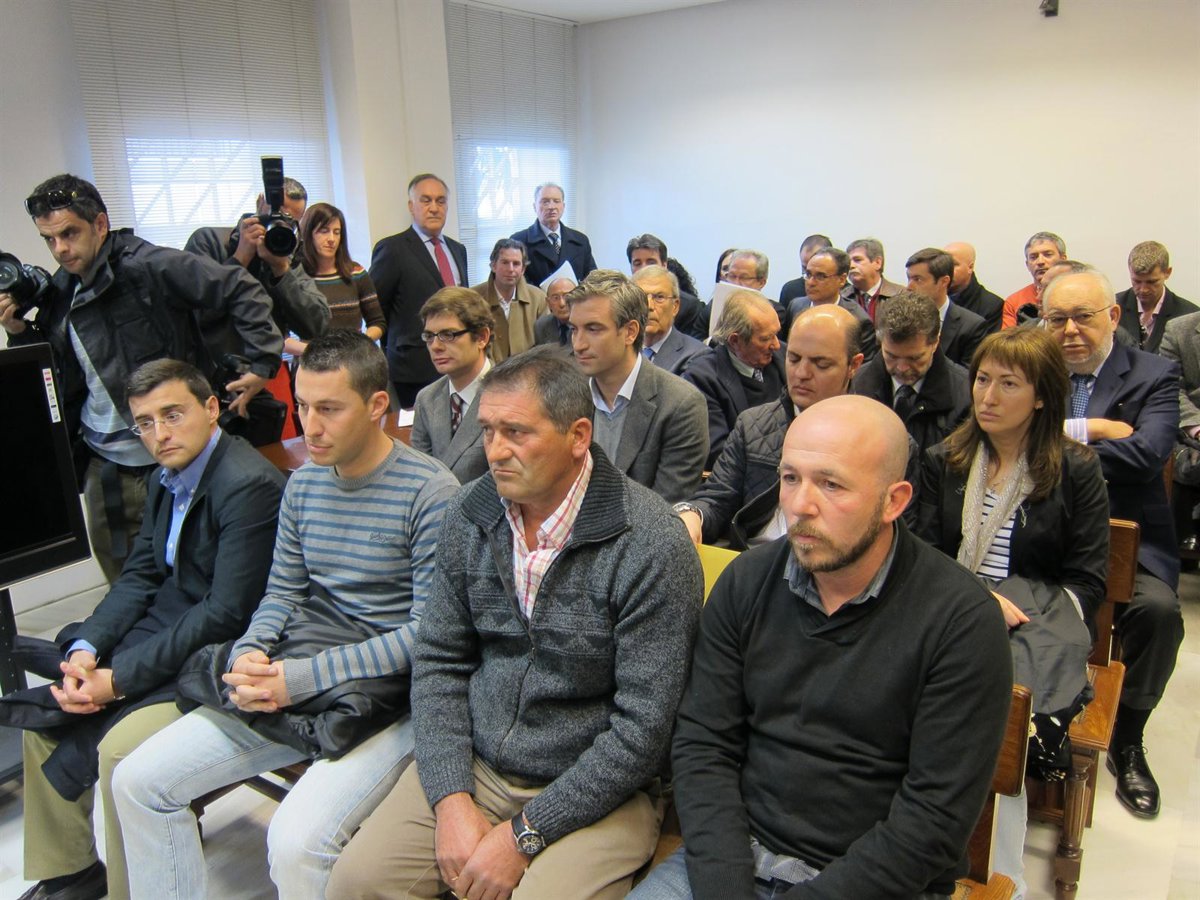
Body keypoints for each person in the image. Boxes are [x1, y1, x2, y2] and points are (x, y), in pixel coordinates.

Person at [326, 346, 703, 900]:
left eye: (517, 433)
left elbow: (643, 729)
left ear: (578, 436)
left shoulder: (650, 542)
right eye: (487, 431)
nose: (495, 451)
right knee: (356, 884)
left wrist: (523, 835)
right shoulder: (471, 512)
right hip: (478, 764)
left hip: (599, 788)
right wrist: (451, 798)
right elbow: (439, 661)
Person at [112, 331, 459, 899]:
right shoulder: (304, 485)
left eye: (329, 409)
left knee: (297, 843)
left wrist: (298, 678)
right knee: (138, 781)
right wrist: (253, 650)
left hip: (392, 695)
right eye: (302, 406)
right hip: (307, 665)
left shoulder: (431, 493)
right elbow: (281, 593)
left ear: (377, 406)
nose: (309, 426)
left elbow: (427, 635)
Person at [630, 395, 1012, 900]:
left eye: (831, 484)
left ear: (894, 501)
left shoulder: (961, 622)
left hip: (876, 884)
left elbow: (933, 820)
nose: (799, 506)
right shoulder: (746, 582)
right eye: (790, 478)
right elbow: (704, 744)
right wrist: (726, 886)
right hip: (735, 859)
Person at [5, 360, 284, 900]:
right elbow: (140, 575)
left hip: (218, 655)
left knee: (119, 751)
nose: (159, 434)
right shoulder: (166, 477)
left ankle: (128, 890)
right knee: (47, 715)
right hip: (165, 634)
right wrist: (88, 649)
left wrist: (117, 679)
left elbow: (225, 614)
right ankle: (71, 876)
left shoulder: (248, 486)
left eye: (172, 415)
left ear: (211, 408)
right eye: (145, 423)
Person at [1, 174, 281, 582]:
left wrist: (262, 362)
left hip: (177, 454)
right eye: (49, 239)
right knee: (126, 582)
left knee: (197, 577)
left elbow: (239, 287)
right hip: (107, 465)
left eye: (69, 233)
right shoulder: (61, 293)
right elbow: (56, 374)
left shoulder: (151, 265)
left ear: (100, 224)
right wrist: (19, 333)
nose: (60, 249)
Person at [916, 327, 1109, 895]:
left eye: (1008, 384)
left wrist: (1016, 608)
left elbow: (1086, 582)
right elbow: (921, 556)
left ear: (1042, 397)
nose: (987, 396)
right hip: (951, 610)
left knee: (1002, 709)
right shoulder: (945, 460)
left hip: (1033, 626)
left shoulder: (1075, 469)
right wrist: (977, 601)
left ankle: (1001, 875)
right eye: (981, 379)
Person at [1041, 266, 1184, 819]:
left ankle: (1128, 737)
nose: (1070, 331)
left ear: (1113, 316)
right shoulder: (1034, 365)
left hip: (1125, 536)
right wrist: (1094, 430)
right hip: (1045, 533)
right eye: (1057, 319)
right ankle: (1035, 724)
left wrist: (1046, 445)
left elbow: (1146, 454)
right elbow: (1002, 431)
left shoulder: (1153, 373)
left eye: (1083, 317)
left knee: (1158, 613)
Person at [675, 305, 864, 549]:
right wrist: (692, 514)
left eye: (821, 364)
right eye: (793, 358)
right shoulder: (753, 425)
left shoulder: (877, 439)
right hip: (752, 557)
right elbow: (717, 498)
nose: (802, 373)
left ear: (854, 365)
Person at [567, 269, 709, 502]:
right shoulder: (565, 393)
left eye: (593, 329)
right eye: (574, 329)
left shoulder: (680, 404)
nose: (578, 344)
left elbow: (665, 509)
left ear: (630, 332)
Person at [185, 176, 330, 360]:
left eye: (290, 222)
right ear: (261, 204)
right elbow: (195, 315)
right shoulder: (209, 241)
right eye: (278, 215)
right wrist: (240, 258)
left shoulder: (286, 256)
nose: (282, 225)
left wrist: (282, 271)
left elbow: (316, 326)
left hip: (264, 367)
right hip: (213, 368)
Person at [370, 173, 470, 408]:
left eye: (440, 201)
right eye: (426, 200)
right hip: (413, 370)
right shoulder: (392, 249)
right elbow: (376, 309)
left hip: (456, 364)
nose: (434, 208)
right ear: (411, 206)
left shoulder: (458, 249)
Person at [852, 290, 972, 457]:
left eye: (914, 358)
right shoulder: (855, 384)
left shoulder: (966, 394)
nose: (902, 368)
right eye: (891, 356)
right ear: (880, 342)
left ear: (935, 342)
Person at [684, 291, 784, 468]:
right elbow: (720, 452)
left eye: (776, 334)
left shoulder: (785, 356)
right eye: (766, 339)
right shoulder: (702, 378)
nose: (776, 345)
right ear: (735, 341)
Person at [411, 286, 494, 484]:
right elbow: (418, 473)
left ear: (482, 337)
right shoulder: (426, 399)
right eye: (429, 336)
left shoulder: (510, 396)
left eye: (448, 335)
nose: (435, 346)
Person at [300, 201, 386, 343]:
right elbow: (281, 336)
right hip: (311, 355)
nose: (331, 239)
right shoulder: (296, 276)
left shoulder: (356, 273)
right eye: (324, 231)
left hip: (353, 355)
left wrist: (358, 344)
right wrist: (314, 350)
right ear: (309, 234)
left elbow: (377, 322)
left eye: (337, 232)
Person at [784, 246, 878, 362]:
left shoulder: (858, 320)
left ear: (842, 280)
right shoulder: (796, 306)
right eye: (808, 274)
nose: (811, 282)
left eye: (820, 276)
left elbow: (863, 368)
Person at [905, 247, 989, 368]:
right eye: (909, 278)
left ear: (944, 281)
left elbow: (968, 375)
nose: (909, 287)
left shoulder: (972, 326)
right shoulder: (900, 318)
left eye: (918, 279)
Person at [470, 238, 547, 362]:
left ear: (523, 269)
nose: (511, 269)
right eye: (505, 262)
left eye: (516, 264)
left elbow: (545, 348)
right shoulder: (472, 298)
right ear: (493, 266)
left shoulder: (539, 299)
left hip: (527, 371)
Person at [1115, 240, 1197, 352]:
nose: (1143, 289)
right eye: (1137, 281)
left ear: (1168, 272)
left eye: (1151, 282)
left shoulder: (1188, 316)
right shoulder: (1112, 308)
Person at [510, 182, 596, 287]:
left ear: (563, 206)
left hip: (574, 297)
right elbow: (516, 282)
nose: (551, 207)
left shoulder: (580, 240)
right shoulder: (519, 241)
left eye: (556, 201)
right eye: (545, 202)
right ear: (534, 207)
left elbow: (592, 279)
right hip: (538, 297)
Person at [632, 264, 711, 375]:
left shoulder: (697, 356)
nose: (649, 306)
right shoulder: (620, 351)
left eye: (659, 297)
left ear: (675, 306)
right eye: (641, 297)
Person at [626, 233, 703, 338]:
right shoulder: (623, 302)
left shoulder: (688, 306)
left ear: (664, 265)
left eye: (651, 262)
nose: (644, 268)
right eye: (637, 263)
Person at [1002, 231, 1066, 328]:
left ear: (1063, 260)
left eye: (1048, 255)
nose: (1040, 261)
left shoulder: (1080, 293)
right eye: (1033, 257)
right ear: (1027, 265)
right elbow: (1008, 337)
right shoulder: (1014, 302)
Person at [945, 241, 1004, 333]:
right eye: (944, 265)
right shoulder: (933, 299)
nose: (946, 270)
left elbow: (989, 342)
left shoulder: (992, 305)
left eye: (953, 264)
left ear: (970, 267)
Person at [843, 237, 903, 322]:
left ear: (878, 263)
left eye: (857, 260)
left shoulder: (901, 295)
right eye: (849, 262)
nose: (851, 266)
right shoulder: (842, 297)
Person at [778, 233, 833, 307]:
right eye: (805, 269)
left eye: (819, 275)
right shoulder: (791, 290)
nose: (810, 281)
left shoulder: (845, 292)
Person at [535, 275, 575, 347]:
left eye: (567, 296)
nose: (562, 303)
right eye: (555, 298)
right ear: (548, 303)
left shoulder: (588, 323)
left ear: (577, 298)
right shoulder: (541, 326)